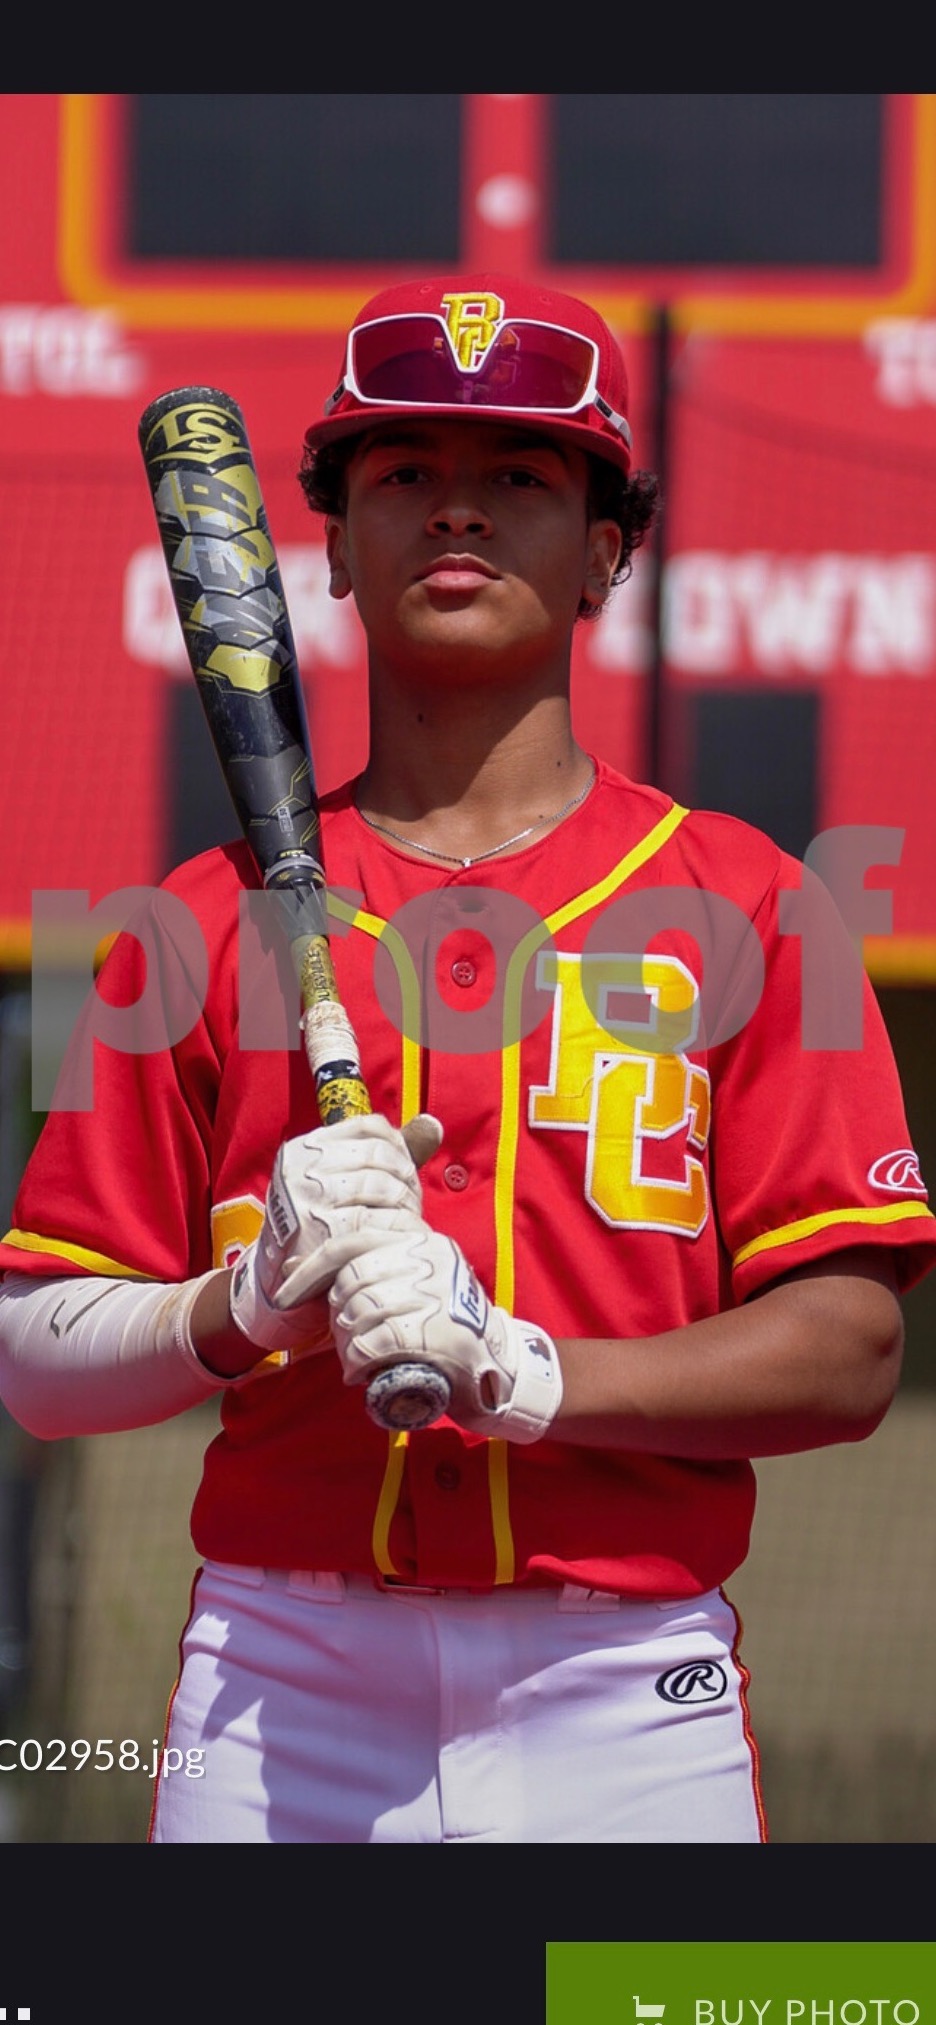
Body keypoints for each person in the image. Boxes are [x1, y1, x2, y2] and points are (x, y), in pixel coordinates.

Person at [0, 271, 934, 1845]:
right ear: (332, 548)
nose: (458, 508)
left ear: (610, 551)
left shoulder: (758, 905)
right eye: (405, 470)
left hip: (628, 1683)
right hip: (278, 1677)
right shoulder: (195, 921)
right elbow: (36, 1357)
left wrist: (527, 1370)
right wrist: (241, 1303)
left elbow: (850, 1350)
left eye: (520, 473)